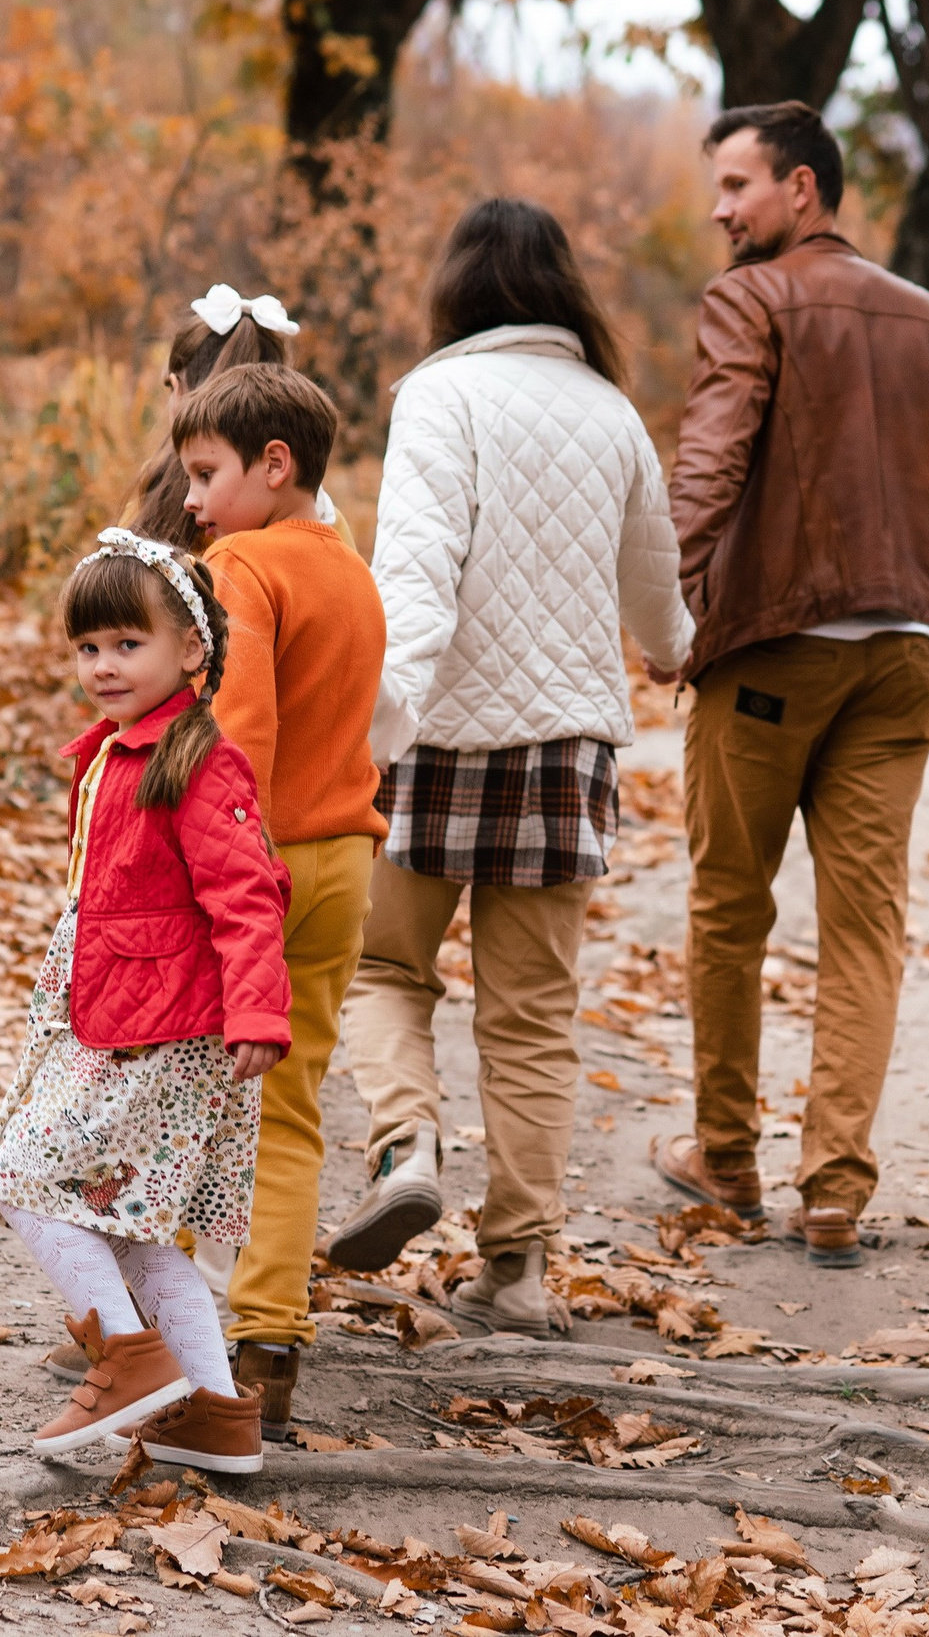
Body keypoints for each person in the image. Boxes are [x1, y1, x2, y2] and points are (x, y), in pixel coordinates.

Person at [332, 197, 693, 1335]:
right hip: (565, 745)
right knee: (533, 1015)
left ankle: (406, 1144)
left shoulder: (440, 394)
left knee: (385, 967)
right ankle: (520, 1270)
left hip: (437, 734)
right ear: (562, 289)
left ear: (458, 289)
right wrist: (679, 653)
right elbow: (654, 589)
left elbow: (418, 569)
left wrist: (376, 713)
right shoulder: (612, 413)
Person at [652, 101, 929, 1270]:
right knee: (863, 929)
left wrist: (668, 609)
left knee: (730, 908)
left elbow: (708, 462)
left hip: (775, 646)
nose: (720, 210)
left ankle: (727, 1157)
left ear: (803, 188)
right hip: (906, 652)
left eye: (737, 185)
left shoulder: (750, 299)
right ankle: (834, 1188)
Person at [0, 528, 293, 1473]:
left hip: (163, 1030)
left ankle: (129, 1358)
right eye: (88, 648)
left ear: (190, 650)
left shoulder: (199, 762)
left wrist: (260, 1013)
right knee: (129, 1223)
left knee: (25, 1178)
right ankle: (218, 1416)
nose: (103, 666)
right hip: (109, 1015)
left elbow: (249, 895)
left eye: (126, 645)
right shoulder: (113, 753)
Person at [171, 357, 385, 1443]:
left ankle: (155, 1335)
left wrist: (214, 861)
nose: (194, 503)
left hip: (257, 862)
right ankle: (268, 1341)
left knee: (184, 1096)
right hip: (344, 860)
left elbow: (239, 726)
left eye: (205, 474)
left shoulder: (239, 567)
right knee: (289, 1111)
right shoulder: (350, 568)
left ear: (274, 463)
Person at [123, 284, 353, 553]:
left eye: (206, 475)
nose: (191, 501)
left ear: (177, 389)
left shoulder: (160, 502)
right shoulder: (326, 523)